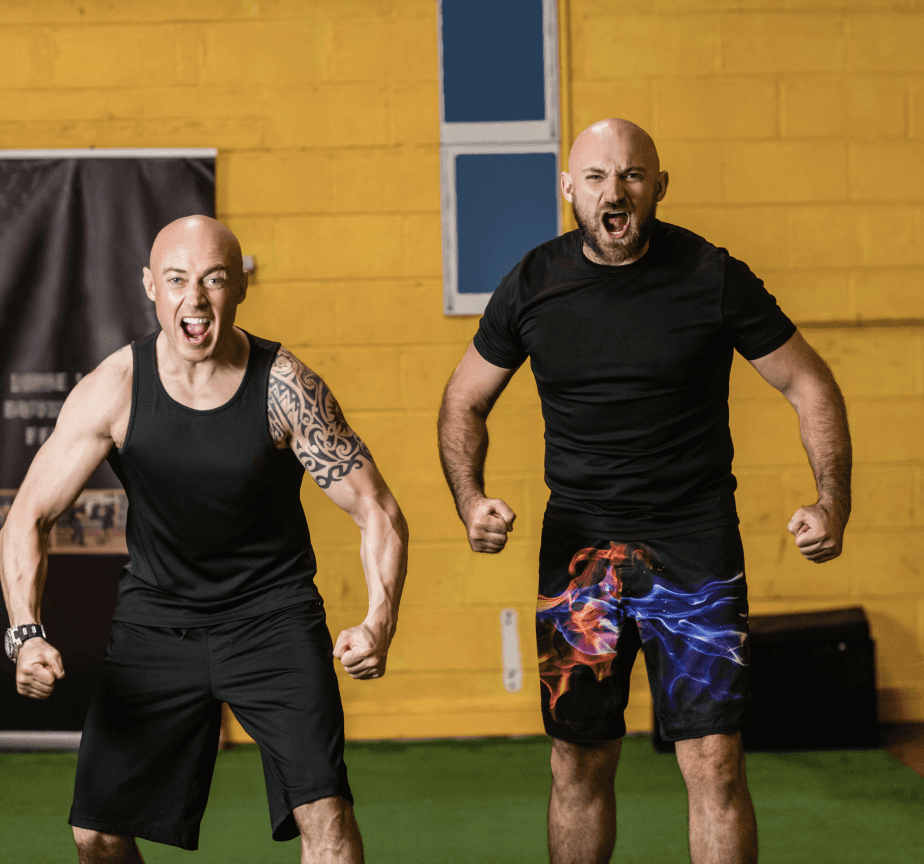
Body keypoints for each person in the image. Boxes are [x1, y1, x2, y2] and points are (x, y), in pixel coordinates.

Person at [437, 118, 851, 864]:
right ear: (569, 189)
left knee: (714, 761)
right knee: (578, 759)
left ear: (659, 185)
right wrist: (470, 500)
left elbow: (809, 383)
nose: (615, 191)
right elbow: (463, 399)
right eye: (597, 177)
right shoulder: (533, 282)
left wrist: (832, 501)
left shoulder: (711, 275)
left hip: (694, 546)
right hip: (581, 553)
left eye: (631, 175)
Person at [0, 215, 408, 864]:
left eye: (214, 280)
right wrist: (25, 633)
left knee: (326, 818)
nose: (194, 299)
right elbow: (27, 517)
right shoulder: (116, 388)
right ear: (149, 286)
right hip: (157, 621)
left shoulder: (285, 386)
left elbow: (377, 509)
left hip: (273, 618)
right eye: (176, 280)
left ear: (240, 287)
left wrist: (379, 620)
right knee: (96, 834)